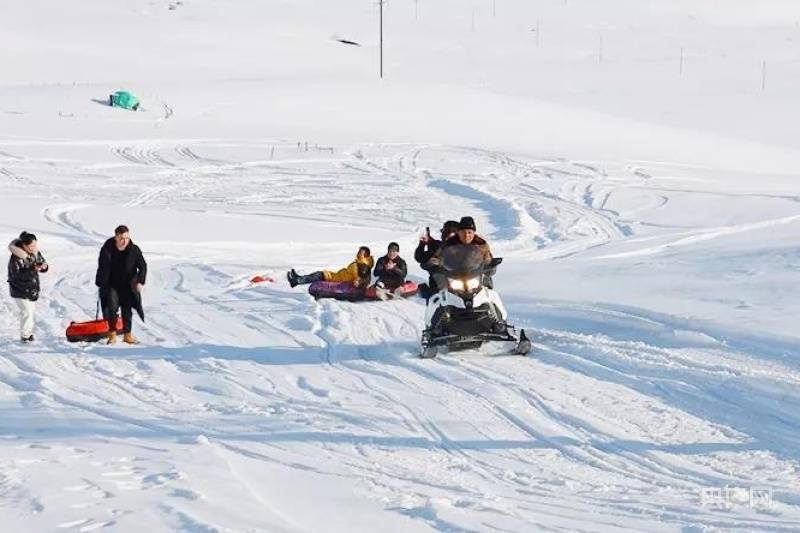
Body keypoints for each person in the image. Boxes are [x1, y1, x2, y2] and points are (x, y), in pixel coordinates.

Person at [95, 225, 147, 345]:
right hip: (111, 284)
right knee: (111, 308)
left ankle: (127, 335)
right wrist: (101, 282)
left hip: (128, 285)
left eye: (127, 238)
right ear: (116, 238)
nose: (124, 241)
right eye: (122, 238)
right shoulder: (107, 249)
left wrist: (140, 281)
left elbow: (143, 266)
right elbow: (102, 266)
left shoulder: (134, 250)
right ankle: (112, 334)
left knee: (127, 310)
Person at [429, 216, 494, 288]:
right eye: (463, 232)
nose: (466, 235)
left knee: (487, 283)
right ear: (459, 232)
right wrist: (436, 261)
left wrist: (489, 262)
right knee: (441, 282)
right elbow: (439, 255)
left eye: (469, 232)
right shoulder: (449, 243)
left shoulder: (481, 244)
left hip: (475, 276)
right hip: (454, 276)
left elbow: (489, 259)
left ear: (474, 233)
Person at [7, 232, 48, 342]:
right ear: (24, 245)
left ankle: (28, 333)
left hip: (32, 287)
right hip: (19, 289)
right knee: (26, 312)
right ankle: (25, 335)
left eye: (35, 245)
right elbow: (15, 275)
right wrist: (32, 270)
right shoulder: (16, 257)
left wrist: (44, 266)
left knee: (30, 311)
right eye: (31, 246)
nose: (33, 248)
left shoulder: (35, 252)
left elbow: (42, 263)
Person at [287, 246, 374, 290]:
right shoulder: (359, 262)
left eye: (360, 252)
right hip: (337, 276)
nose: (358, 253)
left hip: (337, 279)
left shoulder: (363, 266)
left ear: (366, 255)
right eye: (358, 251)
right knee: (319, 273)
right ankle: (298, 278)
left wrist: (358, 281)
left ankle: (297, 281)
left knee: (318, 275)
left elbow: (362, 277)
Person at [415, 220, 458, 298]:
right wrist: (422, 244)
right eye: (447, 233)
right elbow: (420, 257)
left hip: (462, 285)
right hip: (440, 288)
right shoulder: (438, 247)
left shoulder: (466, 248)